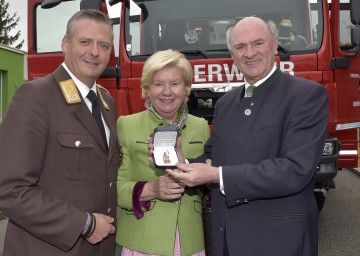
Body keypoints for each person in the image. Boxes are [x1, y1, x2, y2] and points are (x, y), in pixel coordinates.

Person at [164, 16, 329, 255]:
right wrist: (183, 162)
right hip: (228, 240)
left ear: (274, 45)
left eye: (258, 43)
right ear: (233, 55)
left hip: (278, 241)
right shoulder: (227, 103)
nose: (249, 53)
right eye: (240, 47)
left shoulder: (306, 96)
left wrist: (216, 175)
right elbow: (213, 158)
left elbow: (295, 170)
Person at [0, 9, 120, 256]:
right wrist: (84, 225)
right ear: (65, 44)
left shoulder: (107, 103)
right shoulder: (36, 97)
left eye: (104, 45)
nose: (95, 52)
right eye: (85, 42)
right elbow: (11, 190)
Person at [115, 49, 210, 256]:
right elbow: (115, 189)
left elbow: (210, 184)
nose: (167, 92)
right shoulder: (126, 125)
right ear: (147, 89)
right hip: (141, 242)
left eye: (175, 83)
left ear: (186, 88)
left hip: (190, 242)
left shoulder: (201, 127)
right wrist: (152, 189)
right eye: (158, 84)